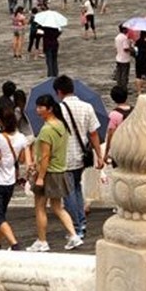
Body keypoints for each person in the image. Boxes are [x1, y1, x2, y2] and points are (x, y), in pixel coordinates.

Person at [27, 95, 82, 252]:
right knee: (58, 207)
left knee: (40, 207)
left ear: (49, 109)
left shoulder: (46, 130)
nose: (38, 110)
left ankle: (42, 240)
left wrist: (40, 177)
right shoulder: (62, 125)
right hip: (60, 170)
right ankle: (73, 235)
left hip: (48, 172)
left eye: (41, 107)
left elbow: (45, 157)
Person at [54, 75, 104, 238]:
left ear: (59, 92)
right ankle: (81, 222)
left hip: (65, 156)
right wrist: (99, 155)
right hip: (82, 155)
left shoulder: (58, 109)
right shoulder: (87, 107)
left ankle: (76, 227)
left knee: (69, 192)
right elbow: (94, 133)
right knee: (77, 188)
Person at [0, 104, 31, 250]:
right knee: (1, 214)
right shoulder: (21, 138)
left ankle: (14, 244)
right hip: (10, 181)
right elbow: (24, 160)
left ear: (1, 121)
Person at [104, 86, 132, 167]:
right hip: (133, 148)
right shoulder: (134, 110)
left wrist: (106, 152)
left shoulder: (113, 114)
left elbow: (111, 135)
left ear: (113, 98)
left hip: (120, 149)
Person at [113, 25, 132, 90]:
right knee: (124, 74)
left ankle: (119, 86)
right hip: (125, 59)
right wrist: (132, 49)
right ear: (124, 30)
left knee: (119, 73)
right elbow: (125, 48)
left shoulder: (117, 37)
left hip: (118, 58)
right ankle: (124, 88)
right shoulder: (124, 38)